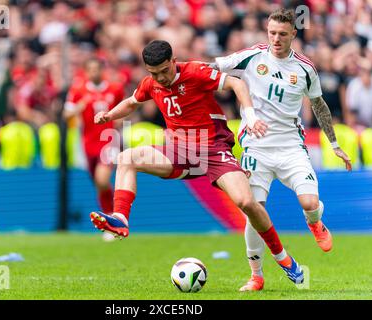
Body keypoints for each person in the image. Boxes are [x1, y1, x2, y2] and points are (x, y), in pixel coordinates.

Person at [90, 39, 305, 285]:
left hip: (213, 148)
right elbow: (131, 103)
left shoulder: (195, 72)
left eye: (164, 71)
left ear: (173, 61)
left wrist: (250, 114)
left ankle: (285, 259)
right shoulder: (150, 84)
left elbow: (236, 82)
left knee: (246, 202)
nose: (160, 78)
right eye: (154, 73)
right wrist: (109, 115)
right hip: (179, 150)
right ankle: (121, 218)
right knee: (126, 158)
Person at [211, 8, 352, 291]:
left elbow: (319, 105)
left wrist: (334, 143)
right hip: (255, 146)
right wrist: (178, 71)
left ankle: (315, 223)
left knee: (310, 204)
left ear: (293, 35)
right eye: (272, 33)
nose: (276, 39)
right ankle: (256, 275)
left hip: (290, 146)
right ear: (267, 31)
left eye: (282, 34)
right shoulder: (252, 56)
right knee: (254, 209)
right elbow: (212, 67)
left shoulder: (304, 68)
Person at [64, 58, 124, 223]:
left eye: (96, 69)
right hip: (88, 143)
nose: (94, 72)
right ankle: (111, 219)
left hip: (109, 141)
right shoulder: (78, 91)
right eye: (90, 69)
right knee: (98, 184)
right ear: (85, 72)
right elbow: (66, 114)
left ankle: (113, 218)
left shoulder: (115, 89)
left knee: (102, 179)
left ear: (101, 70)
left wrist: (120, 119)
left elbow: (125, 108)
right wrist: (79, 108)